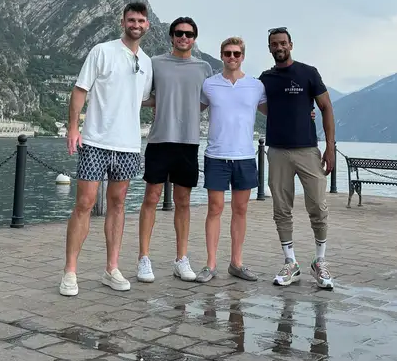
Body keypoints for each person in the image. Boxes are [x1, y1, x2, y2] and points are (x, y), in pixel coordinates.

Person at [59, 2, 153, 297]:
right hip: (95, 141)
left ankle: (111, 268)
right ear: (122, 21)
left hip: (127, 145)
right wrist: (74, 127)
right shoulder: (102, 51)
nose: (135, 24)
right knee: (84, 203)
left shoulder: (147, 63)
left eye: (140, 20)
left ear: (147, 25)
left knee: (118, 204)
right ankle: (70, 272)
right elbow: (79, 90)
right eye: (131, 19)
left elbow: (144, 99)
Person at [137, 17, 213, 282]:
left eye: (189, 34)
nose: (184, 38)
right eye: (179, 33)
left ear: (195, 38)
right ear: (171, 36)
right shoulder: (155, 63)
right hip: (159, 140)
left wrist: (186, 110)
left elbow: (210, 100)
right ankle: (143, 259)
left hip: (188, 142)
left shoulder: (204, 68)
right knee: (151, 199)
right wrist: (164, 104)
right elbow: (142, 95)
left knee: (183, 202)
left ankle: (181, 259)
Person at [259, 27, 336, 290]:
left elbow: (326, 107)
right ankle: (290, 262)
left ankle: (320, 261)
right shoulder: (265, 78)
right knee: (281, 209)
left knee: (318, 205)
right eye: (274, 44)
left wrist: (330, 147)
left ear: (291, 45)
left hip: (308, 150)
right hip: (278, 151)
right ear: (269, 48)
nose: (279, 47)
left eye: (283, 42)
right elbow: (260, 105)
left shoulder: (308, 73)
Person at [195, 37, 266, 283]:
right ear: (222, 55)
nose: (232, 57)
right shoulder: (209, 84)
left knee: (241, 209)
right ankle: (210, 264)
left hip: (245, 156)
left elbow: (276, 109)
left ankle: (236, 263)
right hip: (216, 155)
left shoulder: (256, 86)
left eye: (236, 53)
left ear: (243, 56)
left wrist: (304, 111)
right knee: (215, 208)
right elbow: (193, 109)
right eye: (227, 53)